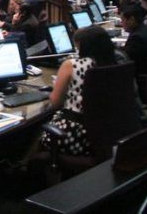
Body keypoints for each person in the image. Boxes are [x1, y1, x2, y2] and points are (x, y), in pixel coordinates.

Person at [41, 25, 119, 156]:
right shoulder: (115, 64)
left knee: (34, 131)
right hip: (107, 133)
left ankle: (22, 167)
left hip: (75, 134)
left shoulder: (72, 65)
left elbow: (55, 103)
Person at [119, 3, 147, 78]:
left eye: (122, 20)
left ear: (131, 19)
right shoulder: (142, 29)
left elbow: (126, 60)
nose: (121, 23)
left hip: (138, 77)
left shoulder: (137, 38)